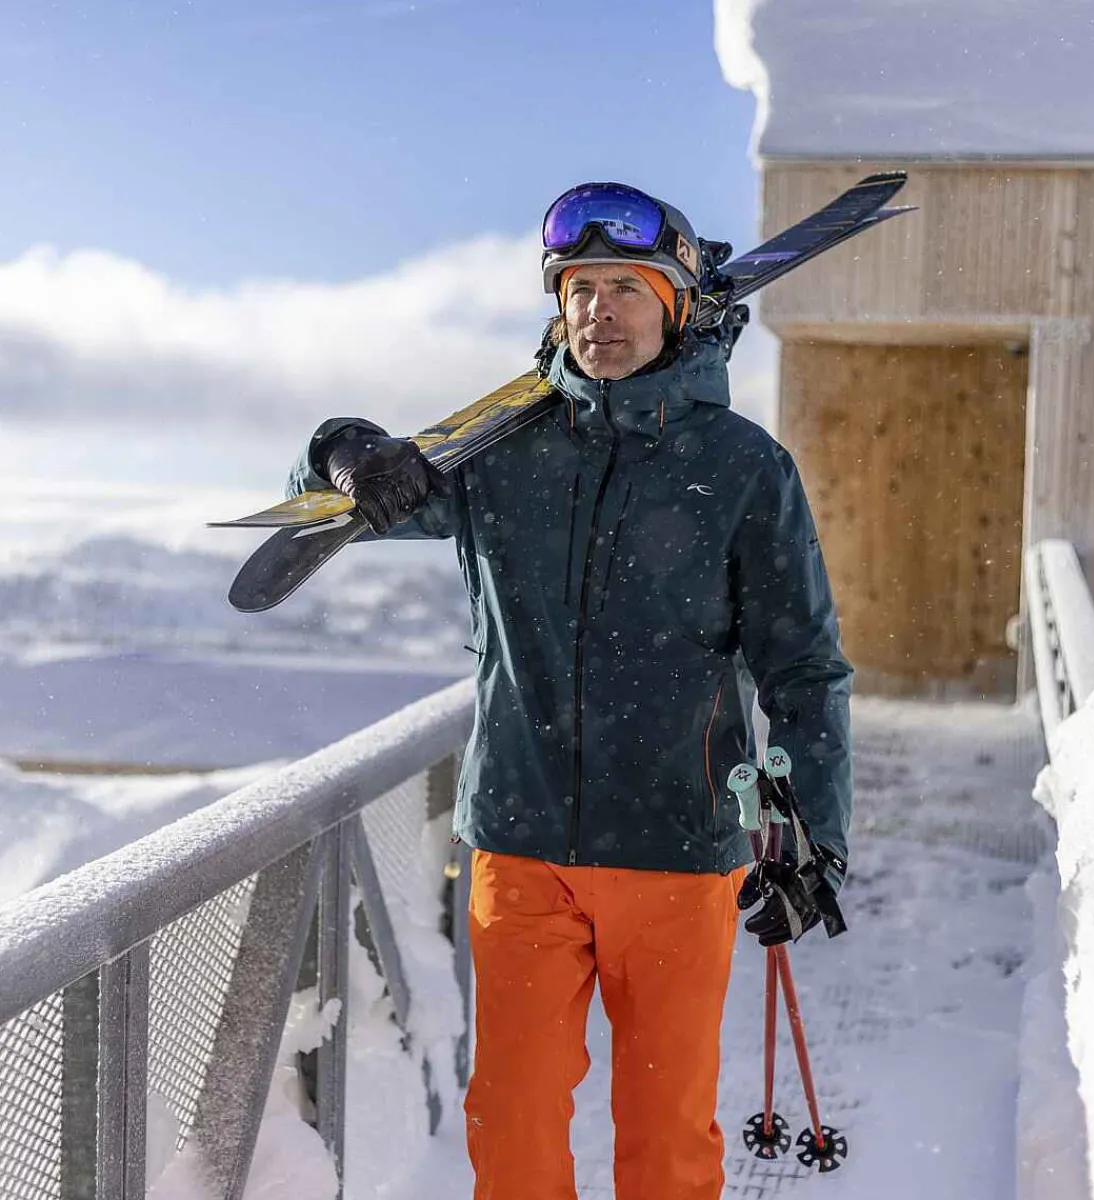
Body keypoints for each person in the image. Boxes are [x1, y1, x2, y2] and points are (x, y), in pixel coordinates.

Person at [287, 182, 853, 1200]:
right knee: (509, 1126)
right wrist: (346, 450)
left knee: (667, 1139)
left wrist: (816, 834)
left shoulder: (742, 469)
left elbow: (804, 668)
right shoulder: (500, 454)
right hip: (520, 842)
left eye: (626, 288)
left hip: (678, 850)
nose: (599, 311)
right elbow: (331, 500)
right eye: (580, 289)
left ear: (676, 305)